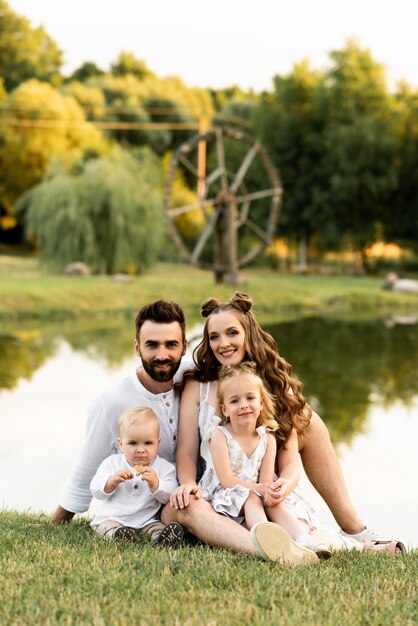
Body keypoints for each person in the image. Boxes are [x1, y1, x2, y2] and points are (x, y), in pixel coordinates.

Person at [50, 299, 297, 563]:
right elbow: (84, 475)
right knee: (189, 506)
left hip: (205, 490)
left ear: (183, 348)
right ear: (137, 347)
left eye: (171, 345)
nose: (162, 355)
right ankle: (268, 551)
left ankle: (348, 523)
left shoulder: (194, 376)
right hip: (163, 509)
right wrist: (56, 523)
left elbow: (241, 377)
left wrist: (284, 391)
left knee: (308, 419)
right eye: (151, 345)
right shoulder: (112, 403)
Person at [167, 292, 406, 555]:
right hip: (220, 488)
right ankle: (272, 549)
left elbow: (288, 457)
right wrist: (187, 482)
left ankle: (354, 536)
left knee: (308, 426)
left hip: (263, 486)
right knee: (205, 506)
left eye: (232, 333)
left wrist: (284, 486)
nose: (223, 343)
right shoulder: (198, 385)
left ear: (248, 333)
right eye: (214, 337)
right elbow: (187, 450)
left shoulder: (272, 385)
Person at [200, 362, 331, 562]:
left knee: (272, 502)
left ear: (261, 403)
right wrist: (259, 489)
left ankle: (305, 541)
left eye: (250, 398)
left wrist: (269, 491)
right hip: (226, 494)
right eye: (234, 401)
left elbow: (266, 479)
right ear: (224, 409)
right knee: (252, 498)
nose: (243, 404)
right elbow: (226, 480)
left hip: (256, 491)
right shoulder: (220, 435)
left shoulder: (267, 439)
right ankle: (268, 540)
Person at [90, 406, 183, 546]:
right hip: (113, 518)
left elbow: (170, 495)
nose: (140, 450)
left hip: (147, 520)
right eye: (132, 443)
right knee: (106, 528)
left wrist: (156, 484)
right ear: (121, 444)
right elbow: (95, 489)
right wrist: (111, 482)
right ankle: (118, 536)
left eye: (148, 443)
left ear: (158, 443)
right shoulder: (112, 463)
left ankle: (162, 539)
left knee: (157, 528)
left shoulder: (164, 467)